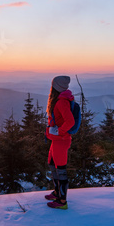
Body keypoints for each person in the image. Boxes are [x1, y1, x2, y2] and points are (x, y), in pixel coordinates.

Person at [44, 75, 75, 210]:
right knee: (52, 164)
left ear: (56, 87)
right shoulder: (59, 100)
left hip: (61, 141)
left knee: (60, 170)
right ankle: (57, 192)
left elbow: (70, 122)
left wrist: (60, 132)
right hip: (56, 140)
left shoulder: (61, 102)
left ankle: (62, 201)